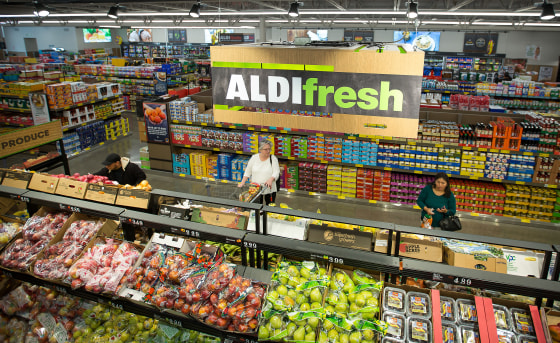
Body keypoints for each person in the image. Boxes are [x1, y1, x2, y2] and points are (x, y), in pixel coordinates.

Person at [238, 140, 280, 205]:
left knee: (270, 206)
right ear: (260, 150)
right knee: (256, 206)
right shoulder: (254, 158)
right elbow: (248, 171)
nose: (268, 151)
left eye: (269, 149)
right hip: (255, 189)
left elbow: (276, 172)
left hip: (269, 188)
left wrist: (271, 179)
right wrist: (242, 183)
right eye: (266, 149)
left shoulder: (273, 159)